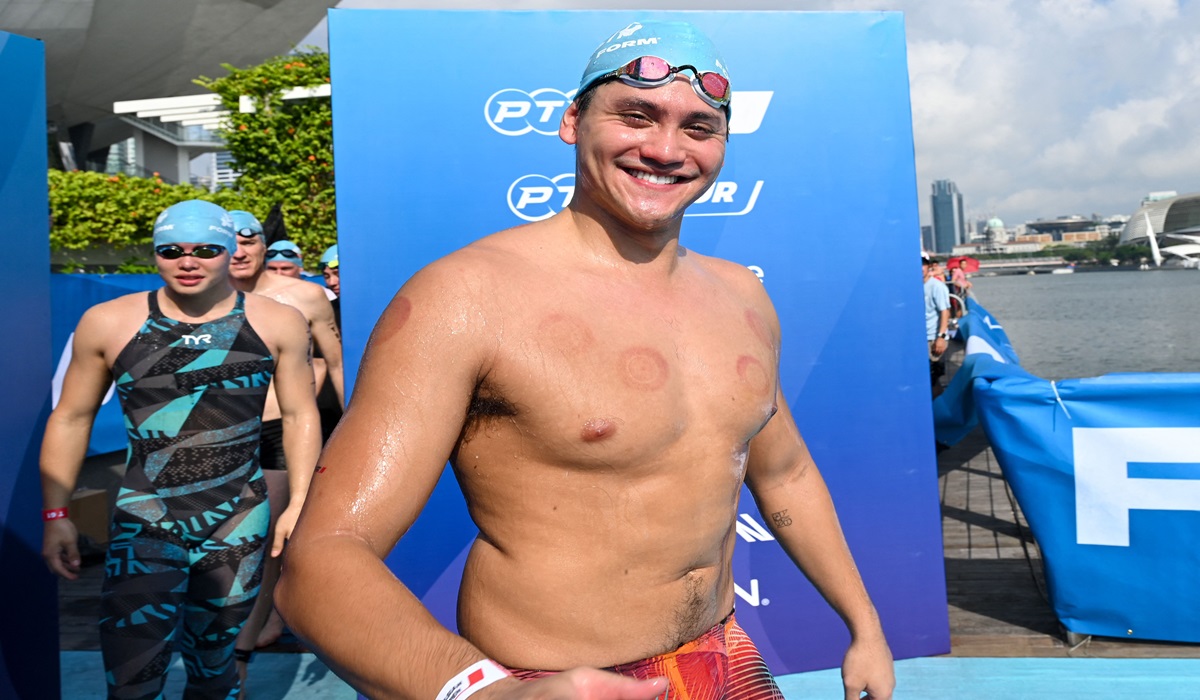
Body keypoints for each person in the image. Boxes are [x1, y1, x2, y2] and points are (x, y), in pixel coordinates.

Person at [278, 20, 895, 700]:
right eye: (637, 116)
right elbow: (321, 561)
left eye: (698, 127)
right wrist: (489, 694)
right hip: (548, 683)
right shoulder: (465, 297)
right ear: (573, 121)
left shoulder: (741, 295)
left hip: (723, 659)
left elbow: (786, 475)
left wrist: (863, 624)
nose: (665, 149)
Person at [40, 199, 321, 699]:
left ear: (231, 249)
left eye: (205, 249)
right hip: (144, 522)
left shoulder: (277, 322)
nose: (187, 261)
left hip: (237, 520)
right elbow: (71, 416)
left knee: (218, 676)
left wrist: (299, 502)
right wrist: (56, 513)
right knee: (130, 679)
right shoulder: (108, 321)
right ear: (155, 254)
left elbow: (300, 414)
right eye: (171, 250)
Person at [226, 210, 345, 663]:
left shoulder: (304, 296)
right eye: (229, 242)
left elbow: (335, 362)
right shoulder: (205, 300)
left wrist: (354, 423)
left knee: (268, 540)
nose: (238, 252)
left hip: (282, 429)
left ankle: (250, 640)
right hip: (224, 433)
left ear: (263, 245)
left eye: (249, 241)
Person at [924, 255, 951, 397]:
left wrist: (940, 337)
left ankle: (938, 413)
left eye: (923, 264)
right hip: (919, 338)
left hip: (933, 338)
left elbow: (945, 312)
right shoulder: (913, 286)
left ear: (929, 266)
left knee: (934, 379)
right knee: (924, 378)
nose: (920, 268)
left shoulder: (936, 286)